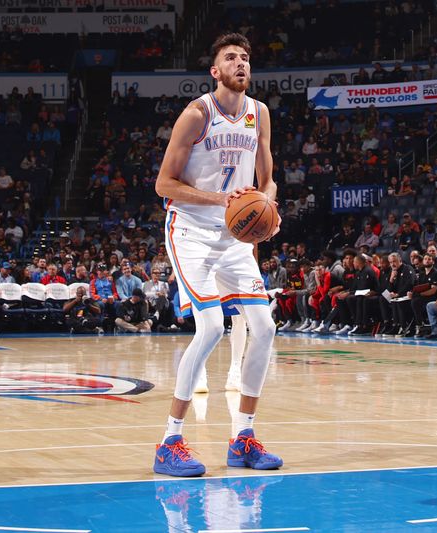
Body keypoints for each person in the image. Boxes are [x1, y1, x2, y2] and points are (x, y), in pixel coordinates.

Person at [152, 33, 282, 477]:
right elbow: (164, 184)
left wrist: (269, 206)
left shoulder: (259, 114)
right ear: (215, 71)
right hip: (189, 230)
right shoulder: (196, 115)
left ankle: (243, 437)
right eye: (231, 58)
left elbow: (268, 179)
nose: (241, 63)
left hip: (234, 236)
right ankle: (170, 441)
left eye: (246, 57)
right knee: (209, 328)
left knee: (264, 326)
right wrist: (220, 200)